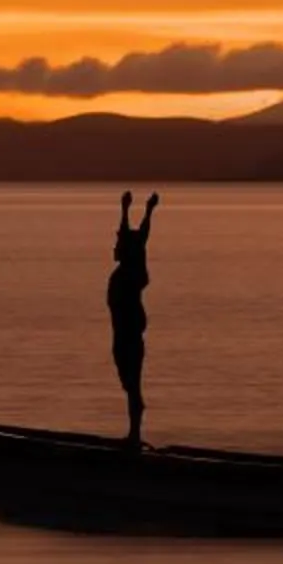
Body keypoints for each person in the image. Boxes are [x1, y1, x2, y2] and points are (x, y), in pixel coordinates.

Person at [107, 189, 159, 444]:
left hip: (128, 336)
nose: (114, 247)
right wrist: (125, 210)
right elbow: (130, 234)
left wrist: (147, 211)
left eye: (118, 245)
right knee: (128, 384)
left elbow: (140, 238)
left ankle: (134, 434)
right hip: (121, 336)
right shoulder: (125, 271)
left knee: (132, 386)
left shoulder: (131, 272)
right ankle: (133, 433)